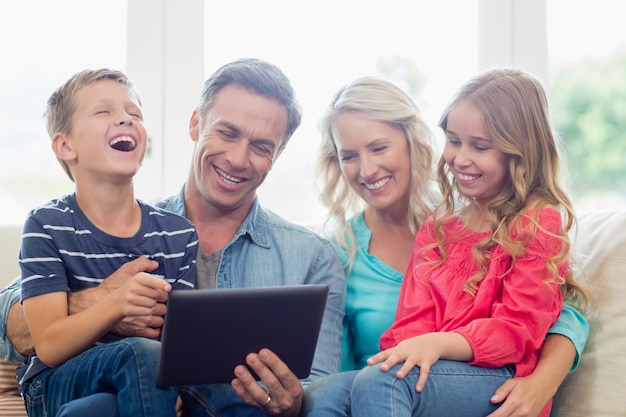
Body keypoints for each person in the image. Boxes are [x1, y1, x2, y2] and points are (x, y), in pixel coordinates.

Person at [1, 58, 345, 417]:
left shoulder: (311, 256)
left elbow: (320, 391)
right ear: (195, 123)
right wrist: (106, 301)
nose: (239, 159)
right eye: (227, 133)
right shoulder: (71, 222)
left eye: (261, 147)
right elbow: (10, 309)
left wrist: (293, 404)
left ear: (278, 154)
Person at [304, 71, 589, 417]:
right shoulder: (436, 230)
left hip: (495, 375)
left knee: (384, 381)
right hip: (423, 381)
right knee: (325, 394)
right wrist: (412, 350)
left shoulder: (533, 224)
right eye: (454, 141)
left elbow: (541, 319)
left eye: (379, 148)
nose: (367, 169)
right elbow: (412, 322)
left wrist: (434, 345)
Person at [16, 68, 199, 417]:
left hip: (144, 376)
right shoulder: (45, 225)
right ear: (65, 145)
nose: (126, 120)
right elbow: (50, 345)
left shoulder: (177, 233)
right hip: (56, 379)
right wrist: (116, 304)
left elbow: (177, 343)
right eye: (104, 112)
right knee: (138, 354)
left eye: (135, 114)